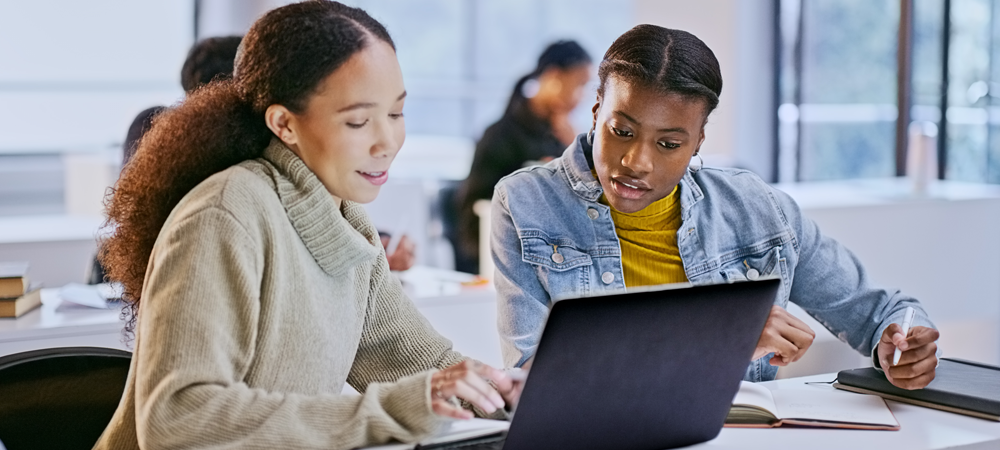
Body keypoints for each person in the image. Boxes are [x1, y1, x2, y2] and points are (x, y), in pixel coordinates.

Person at [93, 3, 518, 449]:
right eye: (358, 120)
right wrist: (393, 410)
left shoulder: (346, 224)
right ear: (284, 124)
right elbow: (180, 420)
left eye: (396, 114)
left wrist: (508, 393)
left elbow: (425, 366)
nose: (387, 142)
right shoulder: (225, 215)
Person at [491, 25, 940, 390]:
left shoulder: (759, 210)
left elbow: (883, 312)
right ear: (595, 114)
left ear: (698, 142)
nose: (636, 163)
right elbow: (530, 381)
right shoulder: (527, 204)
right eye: (621, 132)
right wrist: (724, 338)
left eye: (669, 144)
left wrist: (900, 343)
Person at [453, 40, 592, 274]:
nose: (581, 97)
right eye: (579, 85)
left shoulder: (559, 133)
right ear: (554, 78)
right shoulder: (501, 135)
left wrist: (573, 146)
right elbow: (477, 204)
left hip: (548, 250)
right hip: (497, 249)